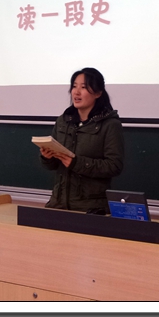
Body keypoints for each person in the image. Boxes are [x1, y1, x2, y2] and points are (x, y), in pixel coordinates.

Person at [39, 67, 124, 213]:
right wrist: (47, 157)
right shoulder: (63, 121)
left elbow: (114, 166)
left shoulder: (110, 124)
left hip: (91, 207)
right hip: (58, 203)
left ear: (98, 93)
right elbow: (53, 166)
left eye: (83, 87)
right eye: (74, 86)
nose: (76, 92)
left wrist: (77, 163)